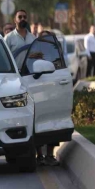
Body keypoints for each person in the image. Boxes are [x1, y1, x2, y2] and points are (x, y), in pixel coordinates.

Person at [34, 30, 60, 167]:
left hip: (53, 93)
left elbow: (61, 69)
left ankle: (50, 155)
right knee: (37, 124)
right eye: (43, 38)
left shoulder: (55, 52)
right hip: (37, 93)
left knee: (53, 124)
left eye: (48, 38)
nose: (46, 41)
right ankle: (39, 155)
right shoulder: (34, 54)